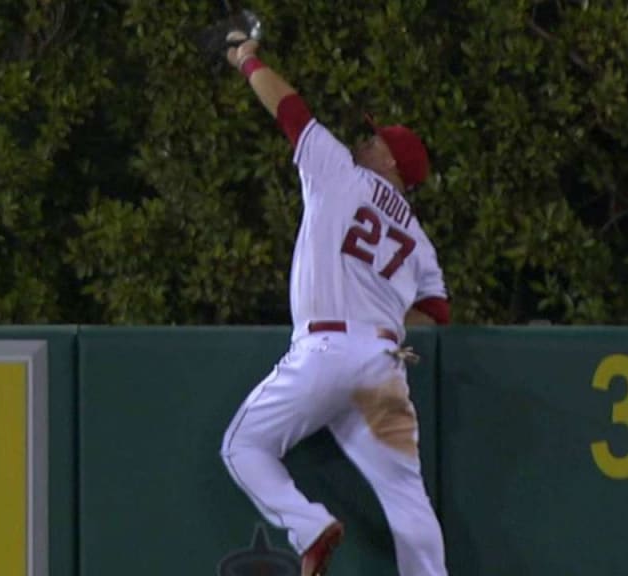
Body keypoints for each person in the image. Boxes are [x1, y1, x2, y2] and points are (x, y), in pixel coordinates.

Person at [218, 28, 451, 576]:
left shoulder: (340, 171)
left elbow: (290, 110)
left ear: (393, 163)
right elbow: (437, 313)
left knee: (243, 447)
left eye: (377, 141)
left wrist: (247, 58)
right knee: (407, 501)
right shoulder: (418, 239)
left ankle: (308, 525)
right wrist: (389, 323)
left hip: (325, 350)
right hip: (383, 365)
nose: (366, 142)